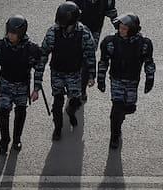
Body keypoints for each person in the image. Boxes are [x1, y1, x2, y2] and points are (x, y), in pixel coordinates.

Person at [37, 2, 97, 141]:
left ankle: (71, 111)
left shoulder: (84, 33)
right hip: (57, 72)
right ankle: (58, 128)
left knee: (75, 100)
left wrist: (92, 75)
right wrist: (38, 76)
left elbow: (90, 55)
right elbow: (43, 54)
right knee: (57, 102)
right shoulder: (52, 32)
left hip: (74, 73)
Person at [97, 13, 155, 149]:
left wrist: (150, 78)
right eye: (120, 27)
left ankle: (119, 120)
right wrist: (101, 78)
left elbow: (149, 62)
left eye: (124, 28)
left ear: (132, 29)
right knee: (116, 109)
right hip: (116, 79)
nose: (121, 30)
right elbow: (104, 61)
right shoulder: (110, 42)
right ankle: (115, 135)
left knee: (129, 108)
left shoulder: (144, 43)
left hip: (132, 81)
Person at [0, 15, 42, 154]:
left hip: (22, 87)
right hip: (5, 85)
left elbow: (39, 69)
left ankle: (17, 139)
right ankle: (4, 141)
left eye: (14, 33)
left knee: (20, 114)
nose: (10, 35)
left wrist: (36, 89)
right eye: (9, 32)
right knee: (3, 114)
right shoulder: (0, 46)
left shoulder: (31, 49)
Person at [69, 0, 119, 101]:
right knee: (73, 58)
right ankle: (72, 85)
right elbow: (68, 9)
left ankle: (82, 89)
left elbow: (111, 12)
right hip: (76, 30)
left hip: (94, 30)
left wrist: (122, 29)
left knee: (87, 59)